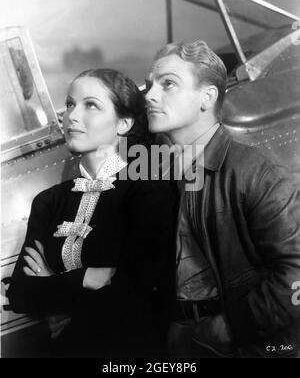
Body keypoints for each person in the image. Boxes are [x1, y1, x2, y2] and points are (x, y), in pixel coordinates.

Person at [7, 68, 178, 358]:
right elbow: (21, 294)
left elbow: (140, 292)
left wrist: (54, 290)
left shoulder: (150, 189)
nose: (71, 116)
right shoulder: (48, 202)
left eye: (91, 105)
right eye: (70, 104)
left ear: (123, 123)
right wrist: (86, 278)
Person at [145, 40, 300, 358]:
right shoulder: (158, 176)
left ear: (207, 96)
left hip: (249, 344)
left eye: (168, 84)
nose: (149, 94)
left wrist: (232, 327)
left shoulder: (255, 172)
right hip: (182, 340)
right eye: (149, 85)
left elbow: (296, 271)